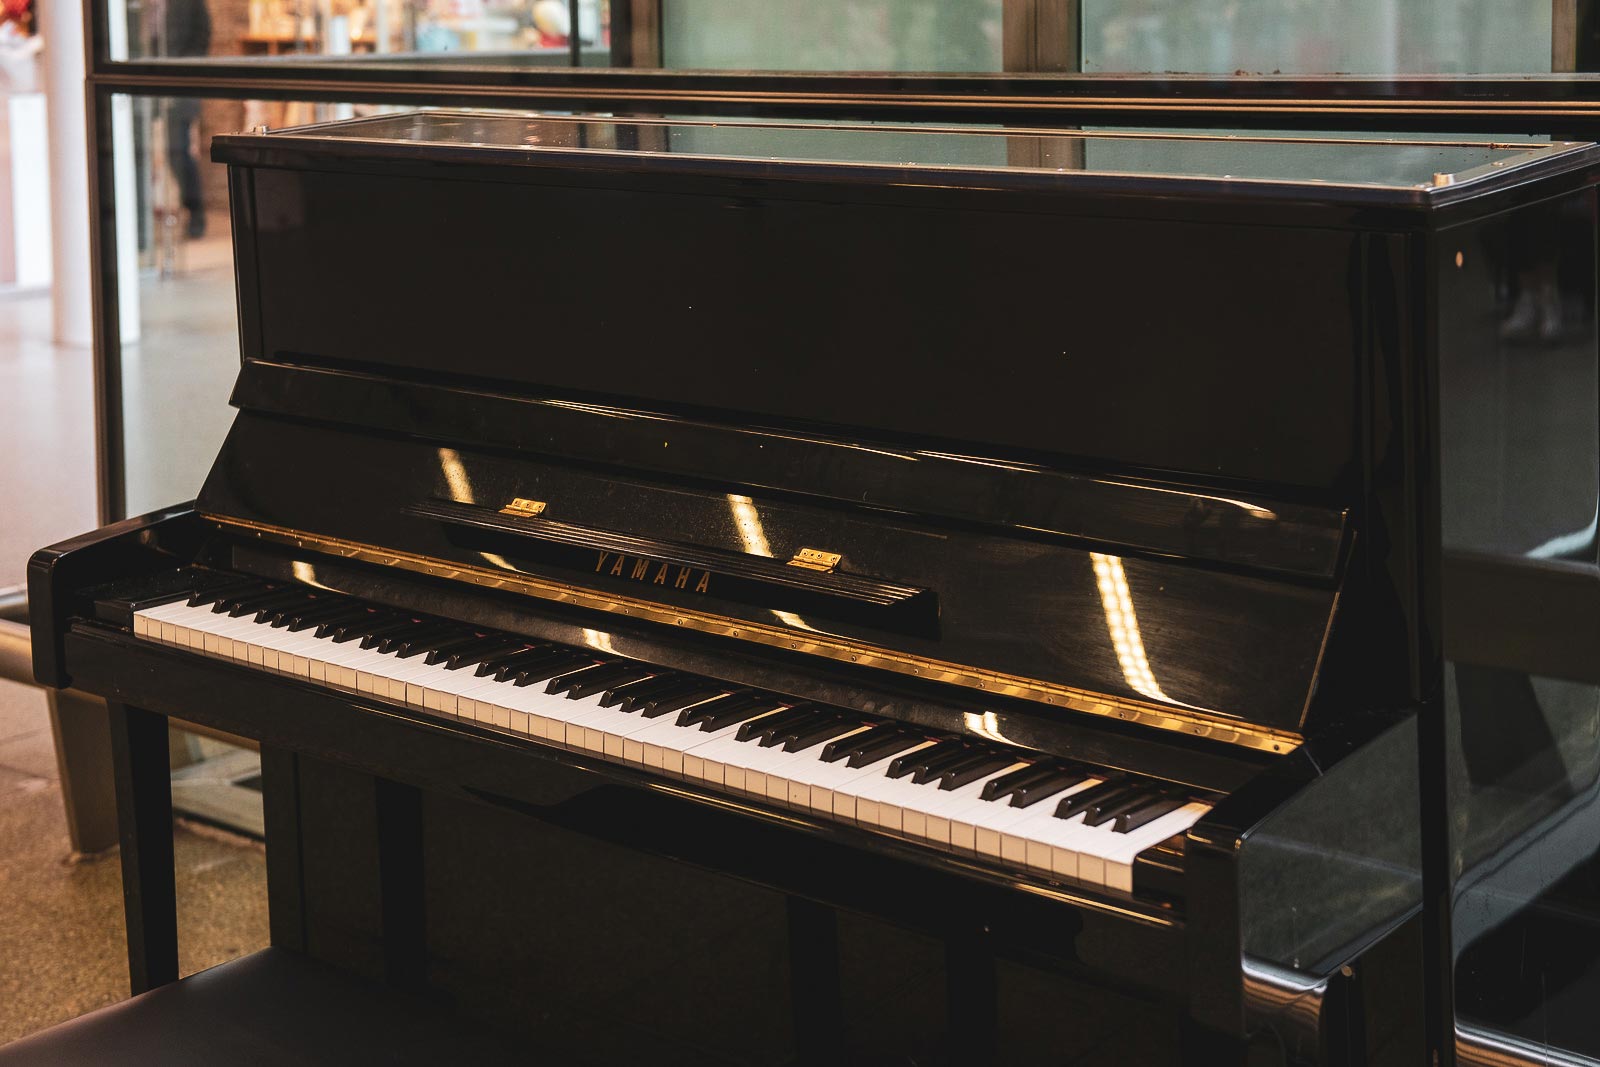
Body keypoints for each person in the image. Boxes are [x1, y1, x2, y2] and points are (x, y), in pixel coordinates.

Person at [163, 0, 211, 237]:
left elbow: (202, 34)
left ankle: (195, 211)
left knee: (178, 151)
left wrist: (185, 75)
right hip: (151, 82)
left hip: (181, 84)